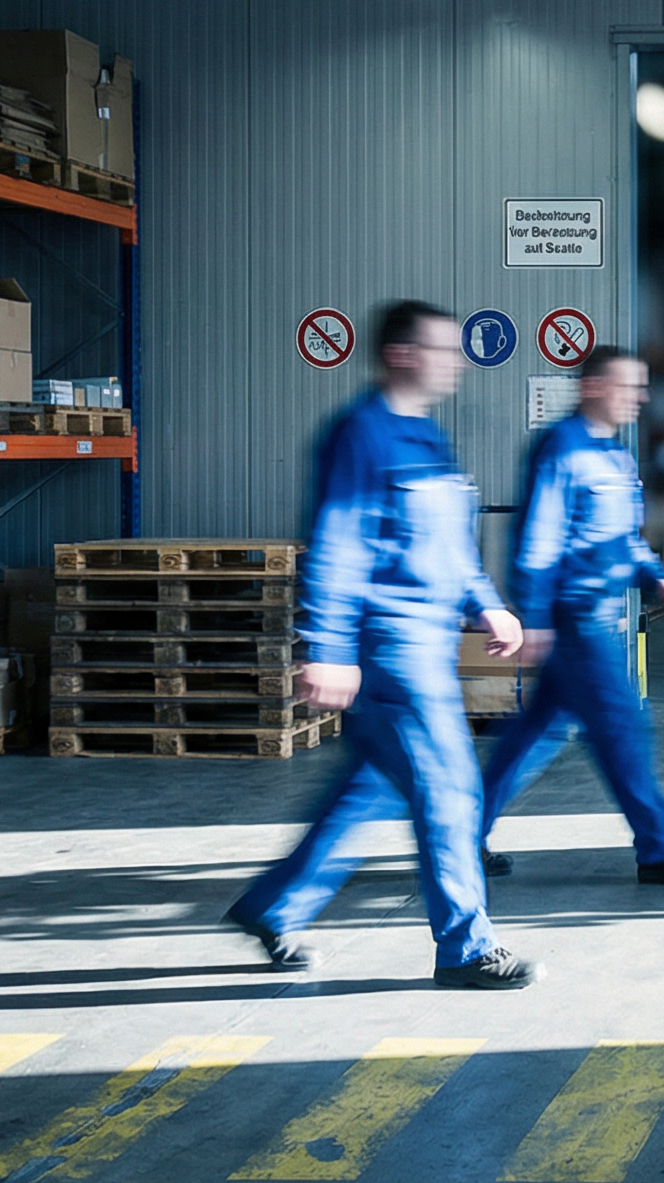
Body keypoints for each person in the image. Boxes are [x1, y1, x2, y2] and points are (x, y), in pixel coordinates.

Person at [224, 300, 537, 989]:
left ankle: (273, 907)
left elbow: (451, 545)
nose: (455, 363)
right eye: (442, 351)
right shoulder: (360, 436)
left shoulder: (425, 438)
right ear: (402, 355)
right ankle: (465, 948)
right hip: (390, 648)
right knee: (451, 792)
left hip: (424, 641)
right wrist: (326, 646)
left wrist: (486, 604)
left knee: (368, 789)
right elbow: (336, 544)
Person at [479, 345, 664, 884]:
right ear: (593, 388)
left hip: (597, 618)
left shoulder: (614, 454)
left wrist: (656, 577)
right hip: (575, 620)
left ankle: (460, 834)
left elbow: (623, 539)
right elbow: (538, 541)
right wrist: (536, 617)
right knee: (624, 728)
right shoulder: (561, 450)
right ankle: (660, 850)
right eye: (630, 386)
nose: (642, 397)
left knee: (535, 734)